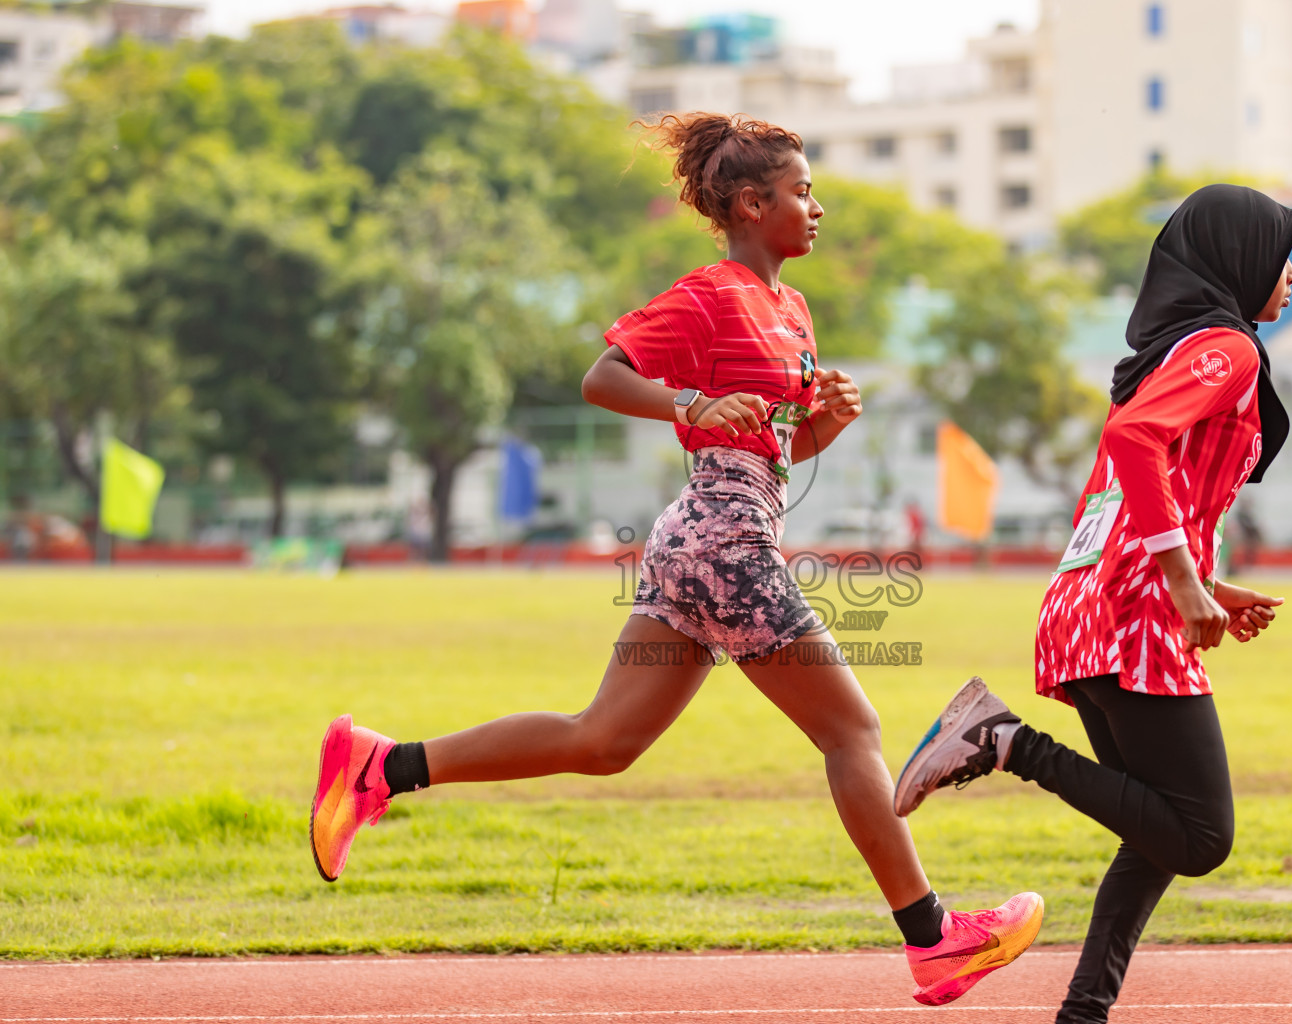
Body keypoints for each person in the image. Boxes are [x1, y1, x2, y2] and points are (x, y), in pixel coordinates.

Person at [308, 113, 1041, 1006]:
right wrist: (693, 403)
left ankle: (382, 767)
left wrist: (827, 422)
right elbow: (603, 377)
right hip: (723, 544)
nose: (818, 207)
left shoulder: (791, 309)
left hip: (708, 538)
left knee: (603, 741)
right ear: (751, 202)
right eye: (803, 192)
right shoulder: (711, 293)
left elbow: (781, 446)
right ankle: (934, 942)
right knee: (851, 732)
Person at [892, 185, 1292, 1024]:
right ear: (1238, 259)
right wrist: (1186, 583)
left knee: (1154, 832)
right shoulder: (1228, 349)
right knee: (1198, 837)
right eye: (1279, 253)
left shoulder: (1174, 350)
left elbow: (1137, 491)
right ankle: (1001, 739)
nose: (1291, 273)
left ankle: (1084, 1012)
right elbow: (1133, 444)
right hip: (1137, 617)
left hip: (1091, 606)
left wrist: (1209, 582)